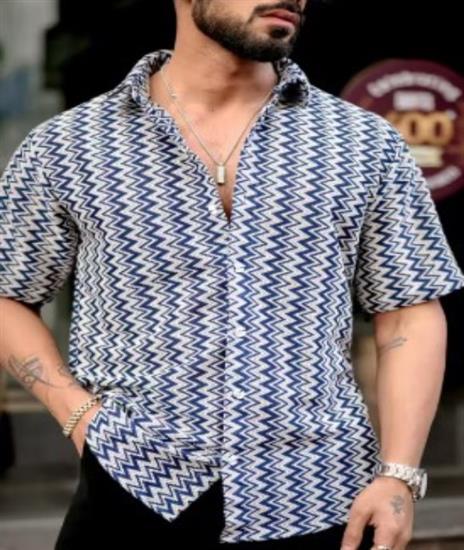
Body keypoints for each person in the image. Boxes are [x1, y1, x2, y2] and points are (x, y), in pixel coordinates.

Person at [1, 1, 464, 549]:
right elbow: (8, 293)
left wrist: (398, 476)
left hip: (322, 495)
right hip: (133, 485)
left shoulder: (363, 143)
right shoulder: (70, 146)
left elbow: (409, 311)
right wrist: (80, 418)